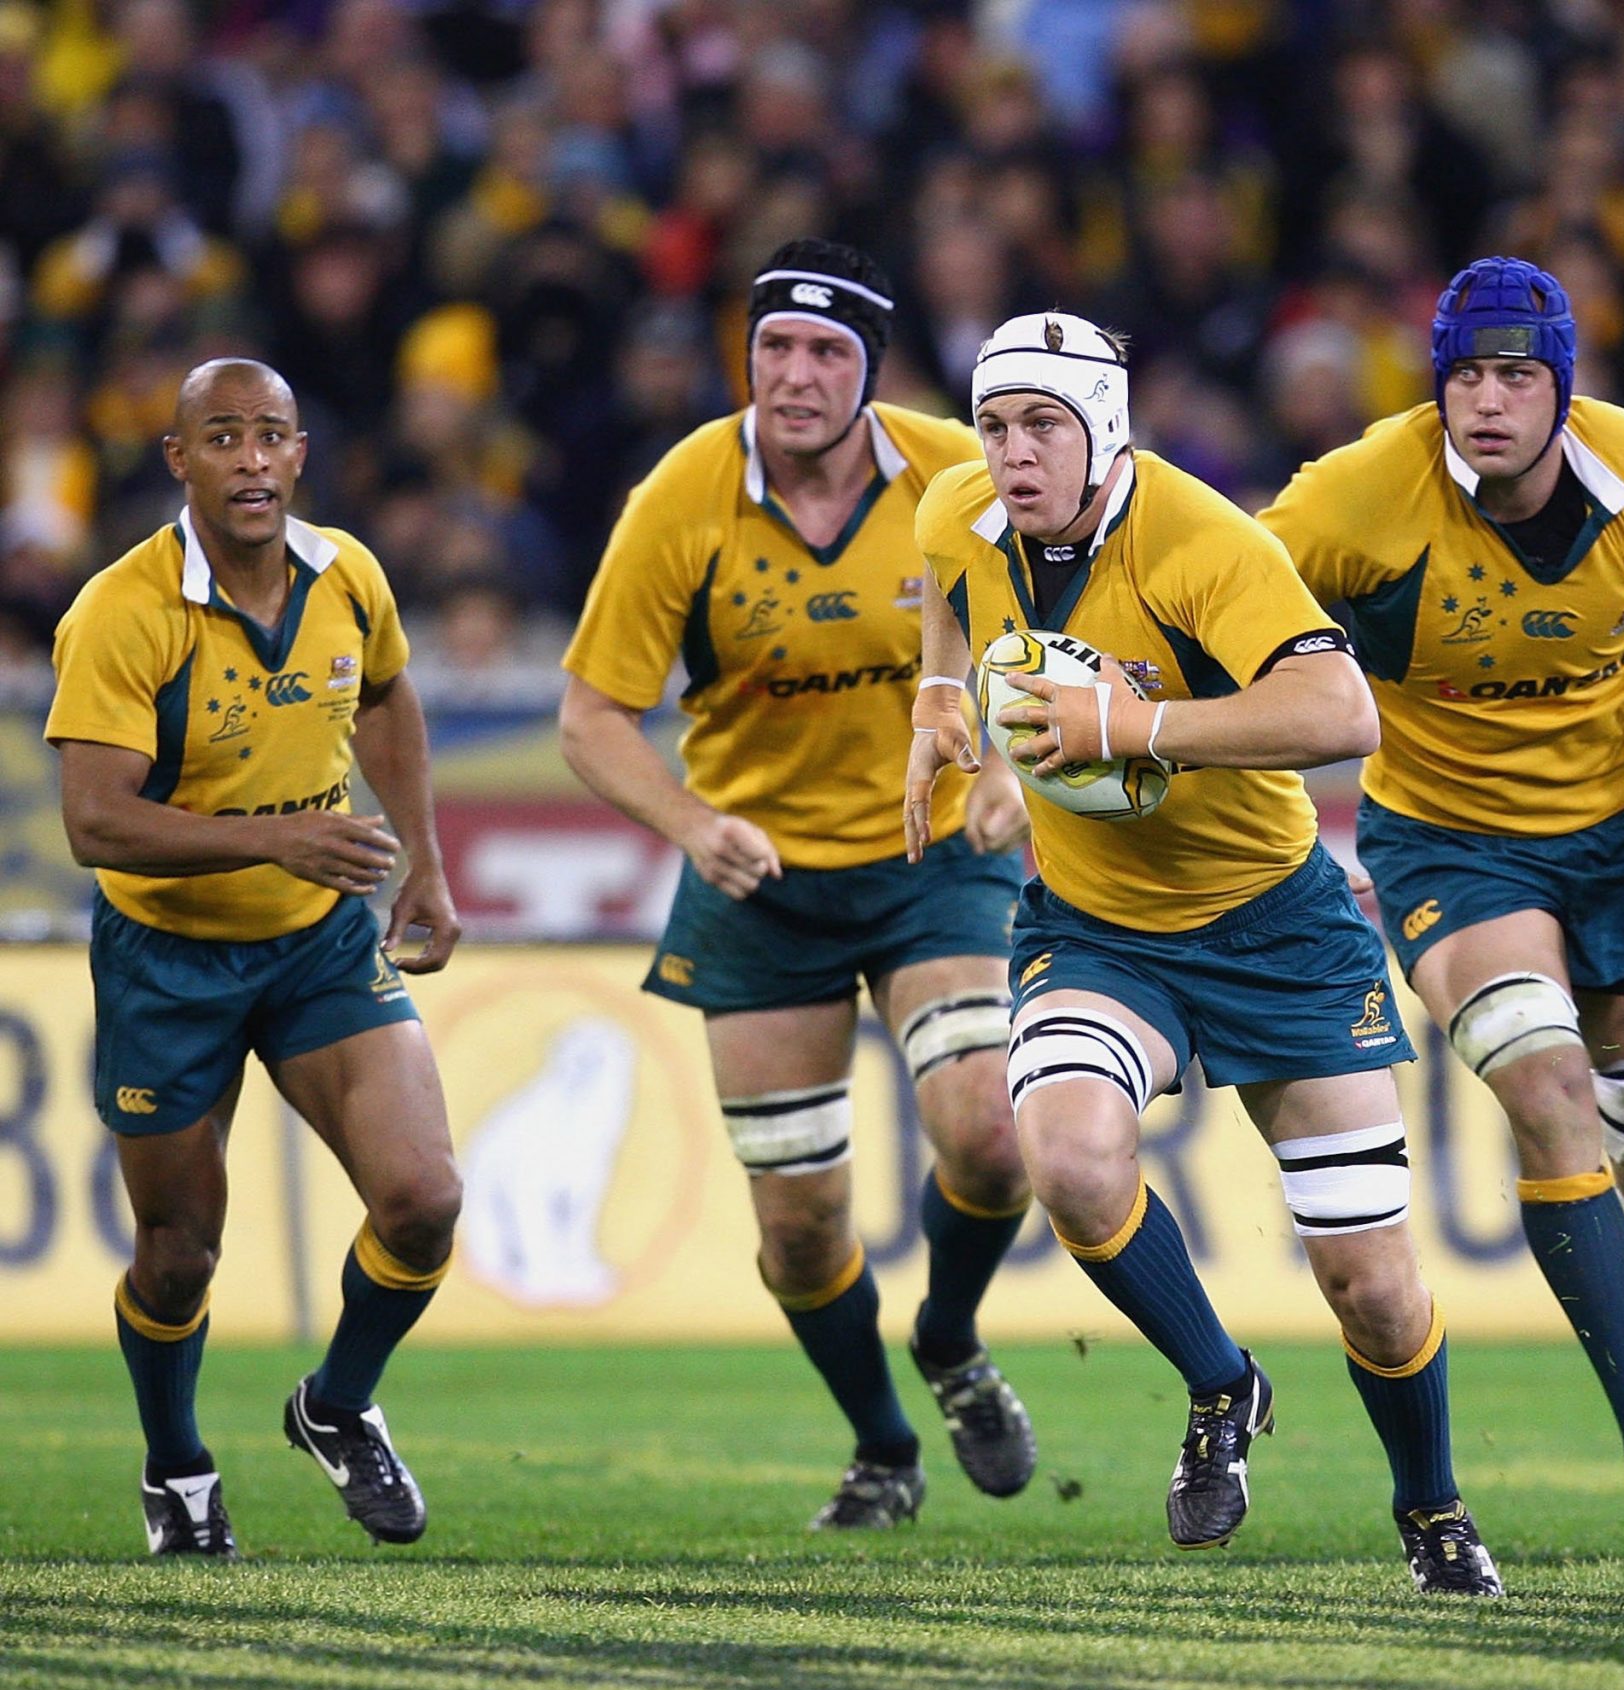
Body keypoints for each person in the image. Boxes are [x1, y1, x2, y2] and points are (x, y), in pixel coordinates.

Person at [904, 310, 1503, 1595]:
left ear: (1107, 430)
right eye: (996, 424)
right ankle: (1221, 1382)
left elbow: (1342, 712)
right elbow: (943, 587)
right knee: (1062, 1155)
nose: (1012, 454)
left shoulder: (1203, 541)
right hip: (1095, 926)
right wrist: (937, 700)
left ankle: (1433, 1510)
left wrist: (1131, 720)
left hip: (1276, 926)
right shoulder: (959, 505)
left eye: (1045, 427)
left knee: (1373, 1286)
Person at [1259, 257, 1624, 1561]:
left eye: (1518, 376)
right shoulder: (1354, 495)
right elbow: (1227, 600)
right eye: (1466, 376)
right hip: (1449, 846)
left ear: (1563, 390)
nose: (1488, 402)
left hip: (1617, 840)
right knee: (1545, 1088)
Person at [559, 240, 1039, 1532]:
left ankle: (947, 1337)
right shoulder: (685, 494)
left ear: (871, 373)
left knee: (994, 1139)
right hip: (759, 882)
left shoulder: (955, 469)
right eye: (775, 346)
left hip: (930, 858)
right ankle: (885, 1445)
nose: (797, 374)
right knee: (802, 1233)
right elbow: (592, 715)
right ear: (748, 357)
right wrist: (689, 821)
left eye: (829, 351)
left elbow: (1066, 623)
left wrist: (1009, 765)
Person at [48, 358, 465, 1557]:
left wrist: (425, 864)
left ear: (298, 454)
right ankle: (177, 1467)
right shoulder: (123, 609)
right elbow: (94, 821)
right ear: (177, 459)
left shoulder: (348, 575)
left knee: (425, 1198)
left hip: (316, 945)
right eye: (221, 437)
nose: (251, 459)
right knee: (179, 1255)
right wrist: (278, 832)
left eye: (270, 435)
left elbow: (386, 697)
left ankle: (334, 1404)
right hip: (166, 960)